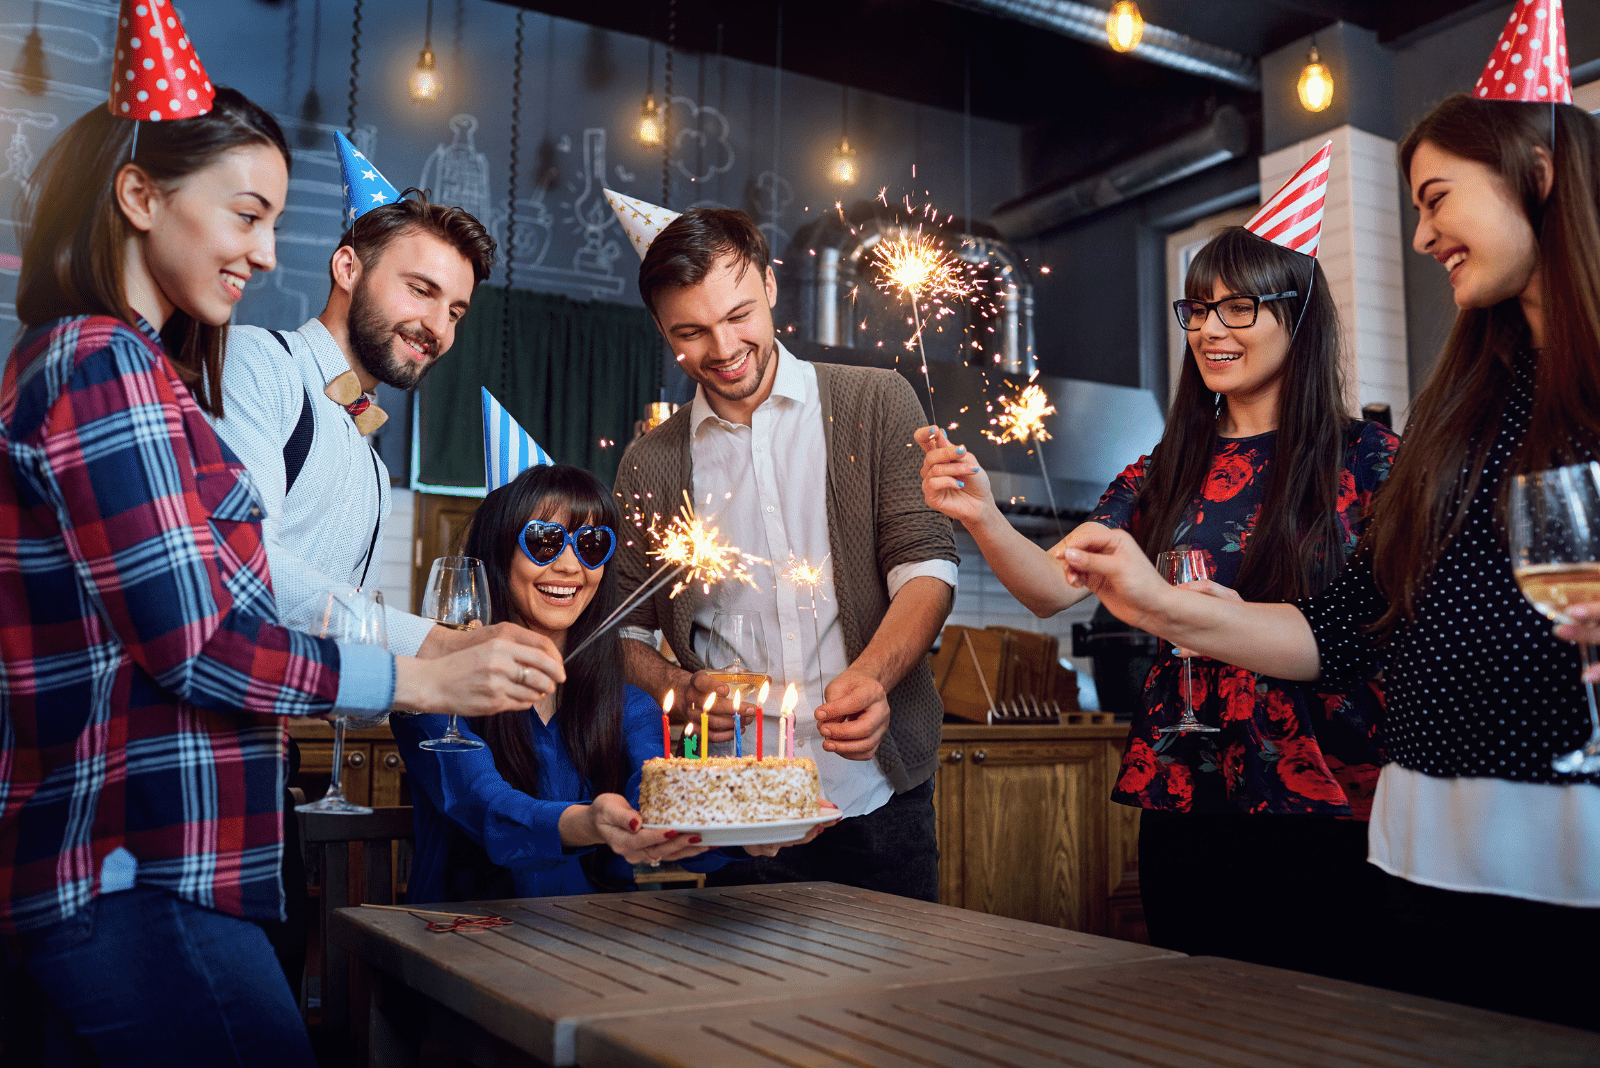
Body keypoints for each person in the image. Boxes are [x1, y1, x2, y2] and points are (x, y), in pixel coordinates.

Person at [0, 58, 560, 1068]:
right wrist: (427, 661)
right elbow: (209, 633)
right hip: (135, 854)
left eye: (457, 308)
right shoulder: (113, 362)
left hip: (172, 842)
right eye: (247, 216)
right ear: (138, 196)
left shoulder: (140, 370)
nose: (264, 255)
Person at [1058, 86, 1600, 1029]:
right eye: (1198, 311)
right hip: (1427, 841)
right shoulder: (1467, 410)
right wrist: (1153, 599)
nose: (1424, 236)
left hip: (1563, 829)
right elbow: (1343, 628)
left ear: (1539, 174)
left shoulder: (1376, 447)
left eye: (1435, 198)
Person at [918, 149, 1399, 981]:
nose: (1211, 330)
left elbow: (1379, 626)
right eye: (1198, 310)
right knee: (1191, 1011)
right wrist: (982, 515)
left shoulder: (1372, 459)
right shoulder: (1163, 466)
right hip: (1188, 793)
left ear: (1301, 317)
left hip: (1327, 797)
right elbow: (1047, 590)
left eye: (1239, 307)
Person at [604, 192, 957, 902]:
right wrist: (676, 689)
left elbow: (927, 565)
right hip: (730, 813)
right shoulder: (650, 461)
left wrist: (876, 678)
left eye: (738, 317)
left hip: (877, 793)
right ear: (663, 330)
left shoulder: (877, 403)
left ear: (769, 286)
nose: (725, 349)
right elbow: (620, 629)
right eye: (693, 332)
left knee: (891, 1009)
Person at [392, 464, 831, 901]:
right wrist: (590, 822)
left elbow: (656, 805)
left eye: (590, 544)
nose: (569, 565)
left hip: (597, 943)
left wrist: (740, 837)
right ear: (498, 551)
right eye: (544, 542)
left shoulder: (630, 706)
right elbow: (483, 807)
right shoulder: (431, 693)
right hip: (464, 938)